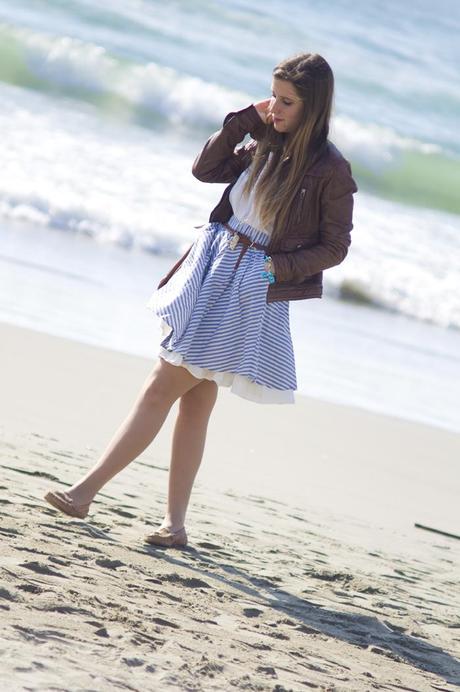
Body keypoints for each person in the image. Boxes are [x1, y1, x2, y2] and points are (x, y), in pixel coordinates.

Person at [44, 52, 358, 548]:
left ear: (313, 106)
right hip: (213, 265)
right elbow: (205, 169)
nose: (274, 108)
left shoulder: (330, 169)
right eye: (272, 97)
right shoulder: (264, 137)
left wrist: (274, 268)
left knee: (160, 386)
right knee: (195, 400)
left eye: (286, 102)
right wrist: (244, 121)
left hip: (249, 283)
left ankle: (85, 493)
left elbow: (335, 246)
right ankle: (175, 526)